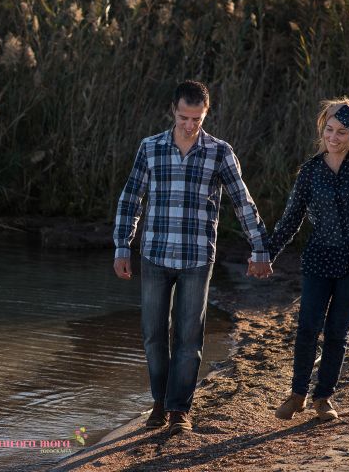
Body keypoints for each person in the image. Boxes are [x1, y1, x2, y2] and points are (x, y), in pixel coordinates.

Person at [113, 80, 272, 435]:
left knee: (189, 338)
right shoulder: (150, 148)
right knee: (153, 334)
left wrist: (260, 248)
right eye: (184, 117)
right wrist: (123, 245)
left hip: (197, 257)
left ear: (206, 113)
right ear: (173, 110)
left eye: (197, 119)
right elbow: (130, 199)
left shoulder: (220, 152)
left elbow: (243, 203)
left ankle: (179, 411)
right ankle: (158, 404)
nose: (189, 125)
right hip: (154, 253)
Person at [262, 98, 349, 422]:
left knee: (336, 332)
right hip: (320, 258)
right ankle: (298, 394)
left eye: (343, 131)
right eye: (329, 129)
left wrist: (345, 109)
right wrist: (267, 255)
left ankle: (323, 398)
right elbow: (290, 219)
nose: (334, 136)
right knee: (307, 327)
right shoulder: (310, 171)